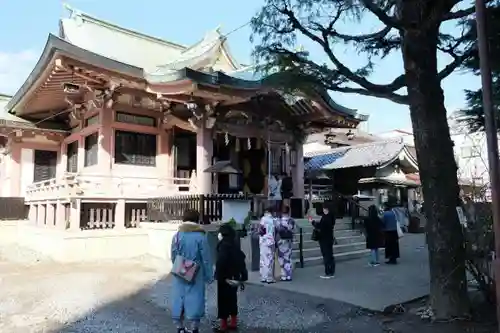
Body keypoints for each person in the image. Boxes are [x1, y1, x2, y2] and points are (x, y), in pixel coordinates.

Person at [170, 209, 213, 333]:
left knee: (179, 297)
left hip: (180, 268)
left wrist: (179, 266)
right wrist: (208, 275)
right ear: (197, 220)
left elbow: (173, 255)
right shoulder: (201, 236)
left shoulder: (177, 235)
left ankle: (179, 327)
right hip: (197, 271)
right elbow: (206, 258)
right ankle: (194, 327)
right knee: (196, 297)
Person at [214, 224, 248, 332]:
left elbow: (221, 262)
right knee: (233, 299)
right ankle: (233, 321)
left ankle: (223, 324)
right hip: (235, 277)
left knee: (223, 301)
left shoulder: (223, 246)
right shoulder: (235, 245)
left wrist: (217, 275)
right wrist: (243, 276)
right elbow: (242, 261)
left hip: (224, 278)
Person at [312, 205, 336, 278]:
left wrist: (313, 222)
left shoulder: (325, 218)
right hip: (329, 238)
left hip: (324, 239)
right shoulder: (331, 217)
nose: (323, 210)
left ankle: (328, 272)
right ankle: (331, 271)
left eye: (324, 209)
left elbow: (320, 226)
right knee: (330, 255)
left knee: (326, 255)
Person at [276, 205, 295, 281]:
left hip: (281, 241)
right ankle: (288, 275)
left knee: (281, 258)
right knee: (288, 258)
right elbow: (293, 230)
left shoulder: (278, 221)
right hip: (288, 241)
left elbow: (276, 230)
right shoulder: (291, 221)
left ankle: (283, 275)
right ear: (289, 212)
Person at [259, 207, 277, 283]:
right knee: (270, 260)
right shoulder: (273, 220)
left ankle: (263, 277)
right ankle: (269, 278)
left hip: (263, 241)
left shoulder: (262, 219)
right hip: (270, 241)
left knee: (263, 259)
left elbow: (260, 230)